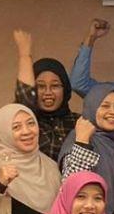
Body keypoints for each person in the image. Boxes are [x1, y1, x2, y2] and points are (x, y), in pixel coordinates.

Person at [58, 84, 114, 214]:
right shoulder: (79, 138)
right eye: (105, 106)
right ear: (92, 107)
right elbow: (70, 185)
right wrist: (82, 142)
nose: (113, 112)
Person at [12, 29, 79, 159]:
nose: (48, 92)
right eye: (41, 86)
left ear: (65, 89)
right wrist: (25, 56)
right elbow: (25, 97)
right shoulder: (28, 122)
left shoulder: (78, 122)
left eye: (55, 86)